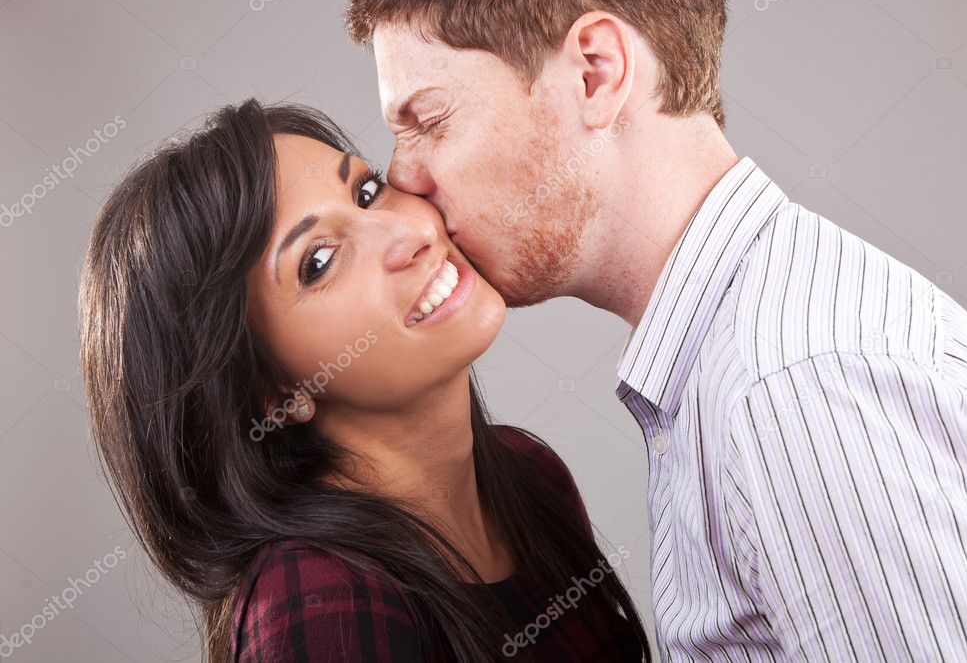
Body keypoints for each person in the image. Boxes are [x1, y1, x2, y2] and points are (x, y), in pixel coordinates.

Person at [347, 0, 967, 662]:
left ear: (594, 72)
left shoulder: (789, 392)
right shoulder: (751, 361)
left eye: (429, 119)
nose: (404, 178)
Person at [78, 99, 650, 662]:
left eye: (367, 192)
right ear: (270, 392)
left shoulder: (531, 474)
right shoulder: (320, 599)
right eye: (319, 261)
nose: (410, 232)